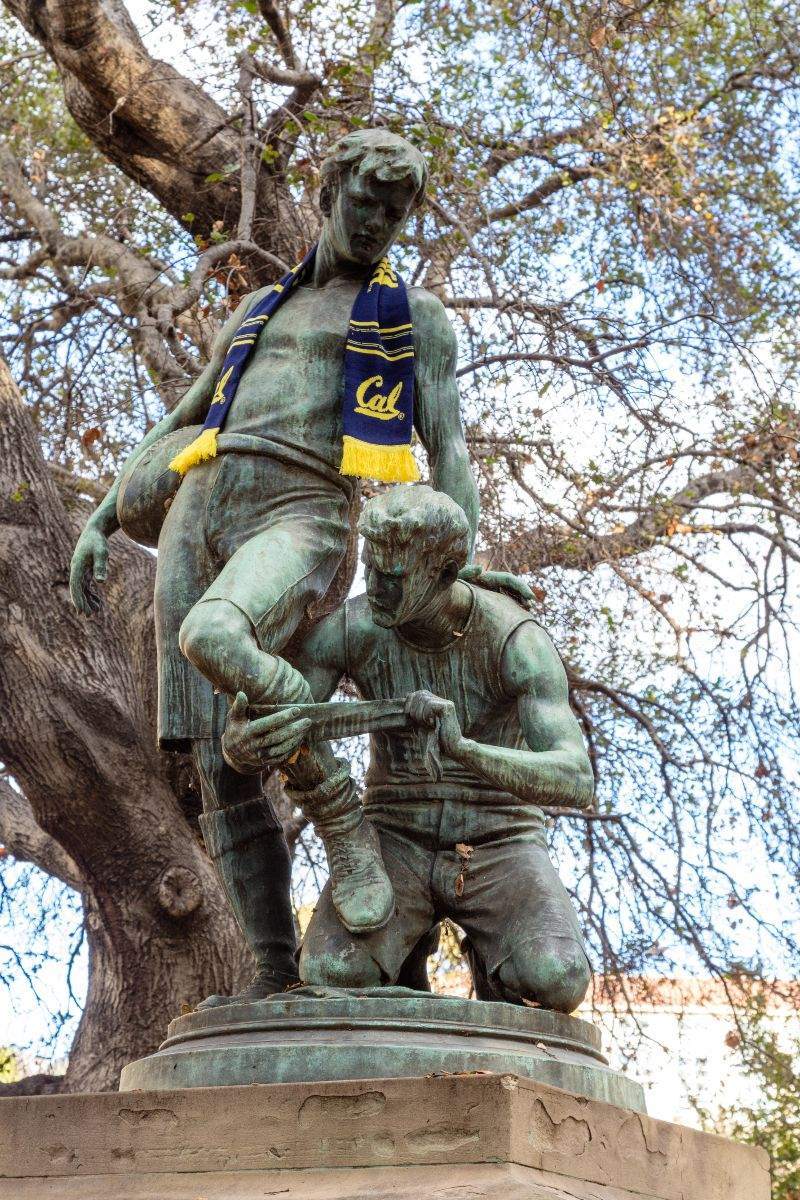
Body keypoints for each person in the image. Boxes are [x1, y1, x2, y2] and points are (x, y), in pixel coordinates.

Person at [69, 129, 486, 1006]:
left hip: (306, 512)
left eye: (395, 209)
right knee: (222, 765)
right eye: (365, 199)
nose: (377, 220)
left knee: (213, 633)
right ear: (330, 187)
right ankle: (269, 970)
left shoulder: (414, 320)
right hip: (199, 505)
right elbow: (186, 411)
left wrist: (460, 573)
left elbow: (448, 450)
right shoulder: (258, 307)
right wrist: (106, 514)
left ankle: (333, 802)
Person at [223, 485, 594, 1012]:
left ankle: (491, 965)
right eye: (371, 570)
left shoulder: (516, 639)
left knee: (557, 980)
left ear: (445, 573)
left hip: (501, 838)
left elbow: (575, 777)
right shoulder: (355, 625)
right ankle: (405, 957)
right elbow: (276, 717)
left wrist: (464, 750)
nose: (375, 588)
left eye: (392, 580)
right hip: (396, 836)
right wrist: (244, 745)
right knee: (331, 970)